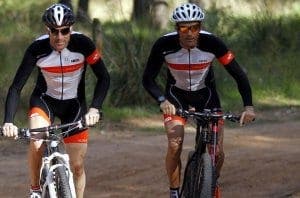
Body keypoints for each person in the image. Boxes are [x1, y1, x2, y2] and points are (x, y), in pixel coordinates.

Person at [142, 3, 255, 198]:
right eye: (184, 28)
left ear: (200, 27)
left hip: (207, 97)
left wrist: (248, 106)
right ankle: (174, 191)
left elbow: (239, 74)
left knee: (217, 152)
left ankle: (210, 182)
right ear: (177, 29)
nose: (190, 33)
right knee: (175, 144)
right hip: (176, 98)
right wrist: (162, 100)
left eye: (194, 27)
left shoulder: (213, 43)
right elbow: (147, 78)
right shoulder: (163, 45)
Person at [2, 3, 110, 198]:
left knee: (77, 166)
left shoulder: (83, 45)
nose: (59, 37)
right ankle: (35, 189)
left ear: (71, 29)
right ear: (47, 29)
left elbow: (104, 77)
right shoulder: (37, 49)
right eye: (54, 31)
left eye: (64, 31)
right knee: (37, 141)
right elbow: (16, 87)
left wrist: (95, 108)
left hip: (74, 105)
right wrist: (8, 121)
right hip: (45, 102)